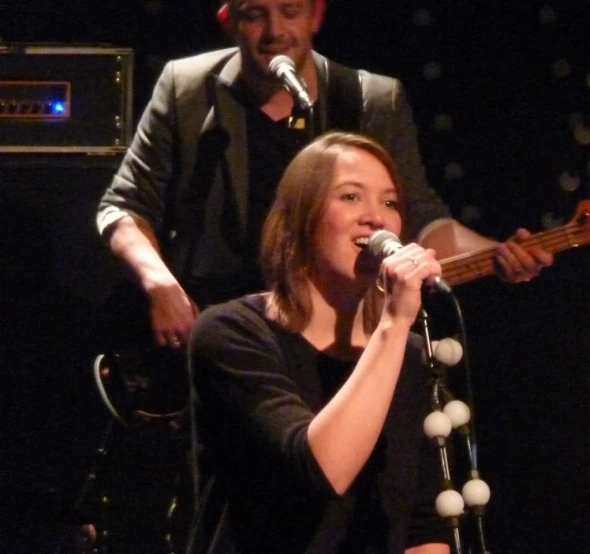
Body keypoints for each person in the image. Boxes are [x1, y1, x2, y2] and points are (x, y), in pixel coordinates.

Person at [96, 0, 553, 352]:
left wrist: (497, 253)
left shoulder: (372, 100)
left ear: (316, 16)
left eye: (290, 11)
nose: (275, 32)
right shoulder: (187, 87)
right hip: (223, 334)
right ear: (229, 20)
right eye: (256, 15)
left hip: (339, 338)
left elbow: (419, 216)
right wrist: (161, 285)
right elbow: (124, 207)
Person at [187, 132, 451, 553]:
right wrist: (395, 321)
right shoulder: (231, 333)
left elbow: (423, 525)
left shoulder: (411, 354)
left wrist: (394, 331)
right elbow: (321, 469)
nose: (376, 218)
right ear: (300, 218)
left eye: (389, 203)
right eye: (350, 197)